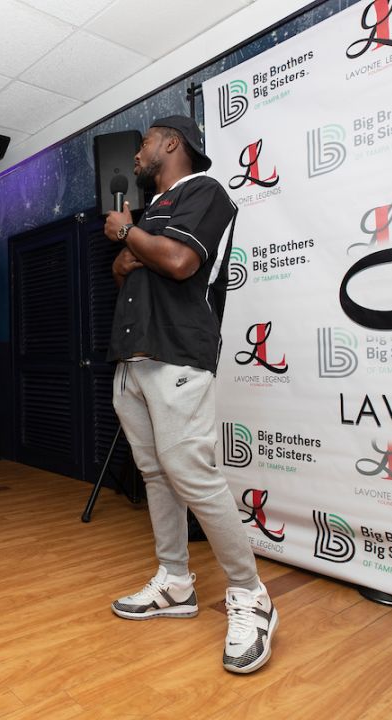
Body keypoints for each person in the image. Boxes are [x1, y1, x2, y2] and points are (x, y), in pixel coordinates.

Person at [103, 115, 277, 674]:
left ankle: (251, 595)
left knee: (193, 475)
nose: (136, 155)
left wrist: (129, 236)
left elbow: (177, 262)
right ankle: (176, 582)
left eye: (145, 143)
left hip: (176, 357)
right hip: (132, 362)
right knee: (156, 475)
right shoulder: (150, 212)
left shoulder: (204, 193)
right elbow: (123, 271)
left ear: (172, 144)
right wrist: (133, 243)